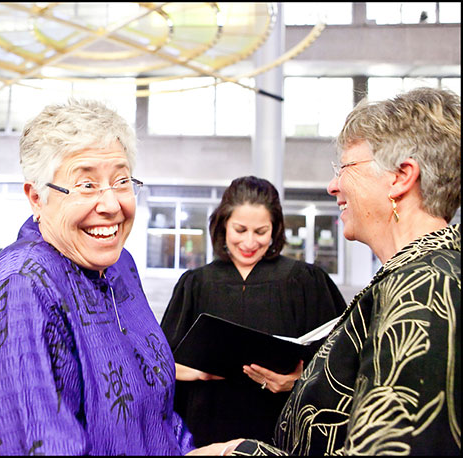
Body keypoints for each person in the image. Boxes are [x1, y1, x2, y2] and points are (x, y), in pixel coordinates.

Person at [189, 87, 461, 456]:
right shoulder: (410, 277)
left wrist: (237, 452)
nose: (333, 185)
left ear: (401, 177)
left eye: (345, 168)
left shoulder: (425, 290)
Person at [0, 99, 194, 455]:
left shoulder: (120, 266)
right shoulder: (19, 291)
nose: (111, 205)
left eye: (121, 181)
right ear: (37, 198)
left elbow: (154, 414)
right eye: (86, 185)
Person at [160, 176, 347, 447]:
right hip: (208, 432)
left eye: (260, 232)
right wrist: (197, 372)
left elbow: (341, 361)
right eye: (240, 229)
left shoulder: (305, 281)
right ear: (224, 225)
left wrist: (297, 381)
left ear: (275, 230)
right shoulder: (196, 283)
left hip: (280, 433)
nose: (249, 242)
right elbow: (158, 365)